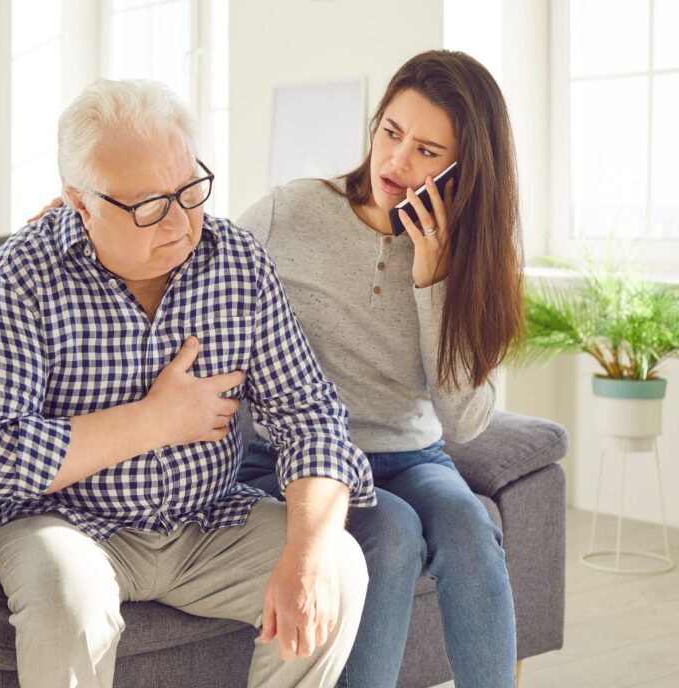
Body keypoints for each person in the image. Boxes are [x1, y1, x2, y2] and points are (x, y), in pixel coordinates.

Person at [0, 78, 375, 688]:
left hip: (208, 521)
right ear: (80, 202)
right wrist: (154, 421)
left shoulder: (238, 262)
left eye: (189, 189)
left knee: (338, 562)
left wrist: (306, 555)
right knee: (70, 598)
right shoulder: (24, 272)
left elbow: (311, 417)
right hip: (62, 522)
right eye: (150, 204)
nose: (180, 221)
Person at [236, 50, 524, 688]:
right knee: (390, 534)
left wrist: (434, 279)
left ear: (463, 169)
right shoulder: (293, 211)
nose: (396, 162)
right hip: (295, 456)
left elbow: (467, 421)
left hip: (412, 457)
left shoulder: (473, 258)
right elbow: (192, 264)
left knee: (470, 530)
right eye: (391, 133)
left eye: (427, 150)